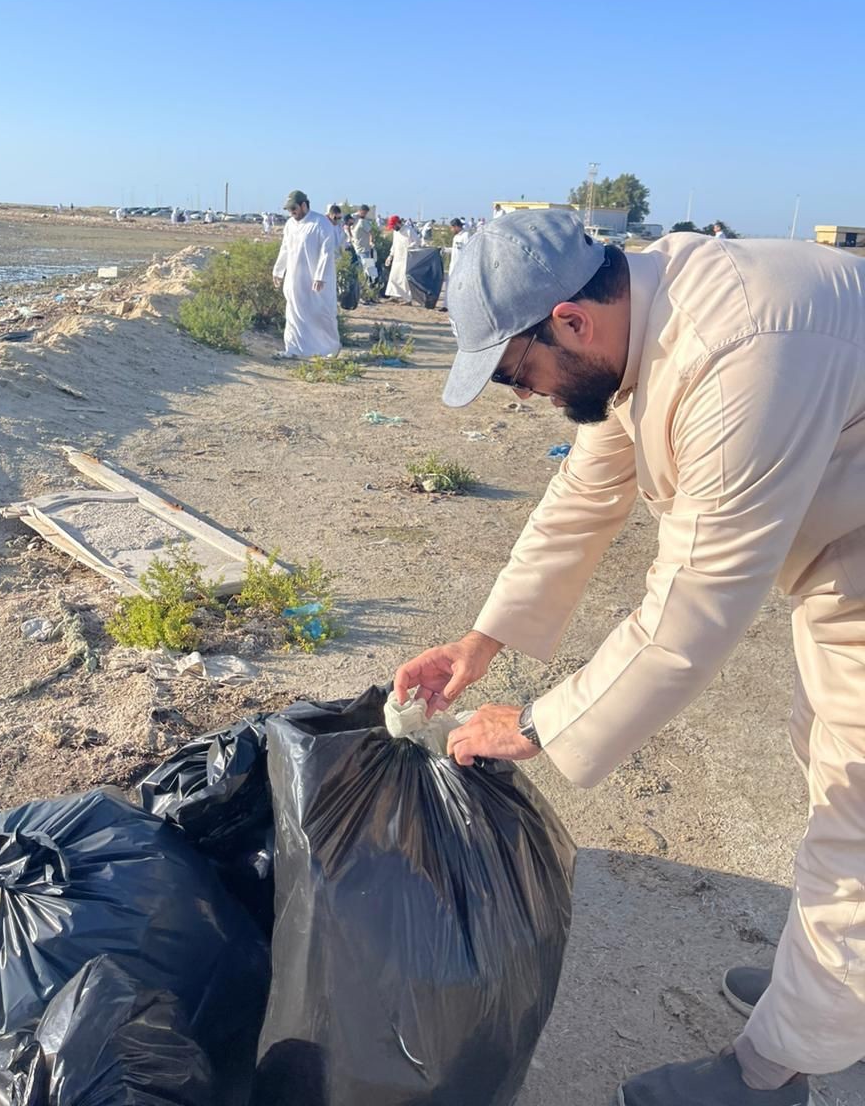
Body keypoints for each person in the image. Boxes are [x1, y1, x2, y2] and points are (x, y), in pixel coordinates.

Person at [395, 209, 865, 1106]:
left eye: (515, 373)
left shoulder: (739, 353)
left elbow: (691, 609)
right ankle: (836, 996)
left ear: (570, 321)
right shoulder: (644, 323)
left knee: (859, 799)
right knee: (829, 750)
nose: (523, 397)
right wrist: (478, 643)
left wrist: (536, 724)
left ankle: (774, 1071)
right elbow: (583, 494)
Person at [272, 189, 340, 358]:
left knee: (321, 313)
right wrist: (278, 271)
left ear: (303, 205)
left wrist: (320, 276)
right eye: (289, 210)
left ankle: (329, 349)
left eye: (293, 208)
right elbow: (285, 248)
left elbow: (327, 251)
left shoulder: (320, 223)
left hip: (317, 280)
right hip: (294, 279)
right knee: (294, 314)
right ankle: (293, 350)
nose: (291, 212)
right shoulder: (290, 225)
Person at [384, 215, 417, 303]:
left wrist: (410, 247)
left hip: (407, 258)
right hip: (397, 258)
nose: (393, 228)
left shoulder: (409, 230)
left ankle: (407, 299)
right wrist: (390, 255)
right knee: (394, 277)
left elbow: (417, 242)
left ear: (398, 223)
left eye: (394, 226)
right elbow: (394, 245)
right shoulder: (396, 232)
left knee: (404, 280)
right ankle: (394, 295)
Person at [352, 204, 378, 284]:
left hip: (364, 249)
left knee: (368, 269)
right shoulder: (356, 220)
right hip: (358, 249)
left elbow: (371, 233)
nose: (365, 214)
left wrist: (371, 241)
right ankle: (365, 284)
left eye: (366, 213)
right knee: (362, 269)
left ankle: (371, 284)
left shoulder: (363, 222)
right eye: (364, 212)